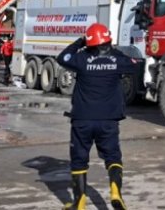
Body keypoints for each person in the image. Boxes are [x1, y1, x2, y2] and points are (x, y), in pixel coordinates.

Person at [57, 23, 139, 210]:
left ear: (90, 42)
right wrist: (115, 53)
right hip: (108, 120)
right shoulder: (117, 60)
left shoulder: (81, 59)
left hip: (82, 120)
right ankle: (115, 192)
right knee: (113, 157)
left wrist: (80, 42)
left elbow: (62, 57)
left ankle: (79, 202)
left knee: (79, 159)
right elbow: (134, 65)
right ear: (108, 40)